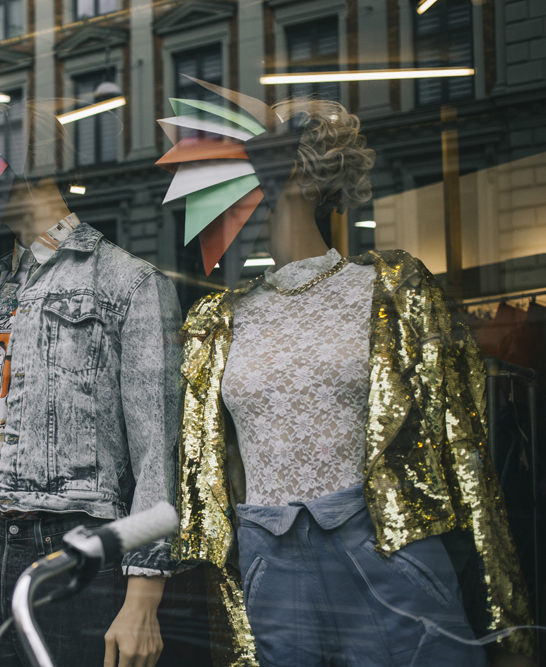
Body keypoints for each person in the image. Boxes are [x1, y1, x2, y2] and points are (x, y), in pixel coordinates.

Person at [171, 96, 535, 666]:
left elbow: (464, 452)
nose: (241, 162)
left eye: (263, 147)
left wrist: (507, 621)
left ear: (305, 168)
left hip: (385, 551)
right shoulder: (216, 322)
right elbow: (200, 480)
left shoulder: (393, 290)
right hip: (270, 566)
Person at [0, 98, 183, 667]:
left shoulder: (128, 283)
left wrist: (144, 595)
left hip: (71, 547)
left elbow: (157, 453)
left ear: (21, 165)